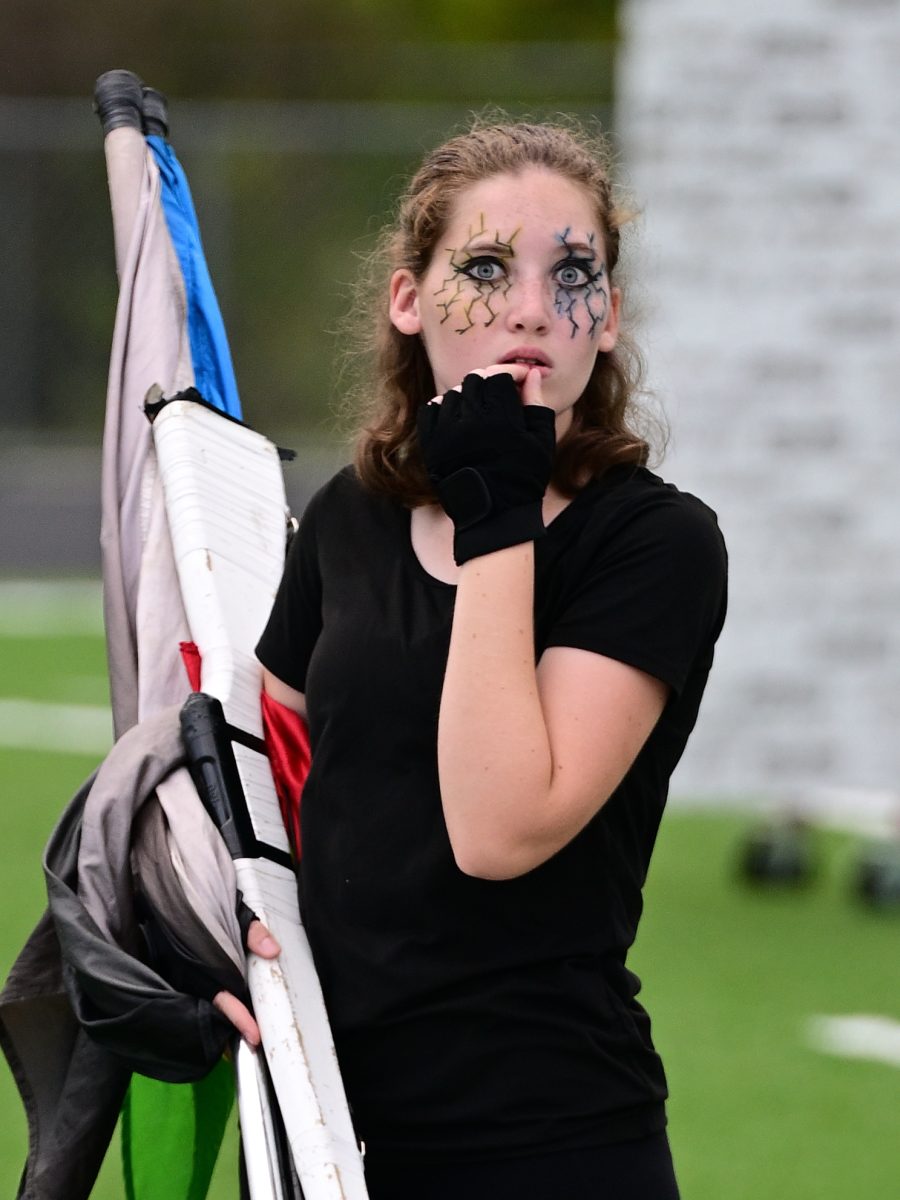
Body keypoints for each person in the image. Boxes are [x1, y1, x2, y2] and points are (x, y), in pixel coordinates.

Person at [218, 119, 727, 1199]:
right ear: (410, 301)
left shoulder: (654, 544)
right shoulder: (353, 519)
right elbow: (264, 784)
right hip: (330, 1138)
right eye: (486, 268)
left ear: (611, 318)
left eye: (573, 274)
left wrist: (497, 510)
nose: (533, 307)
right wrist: (212, 947)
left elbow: (499, 828)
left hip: (549, 1145)